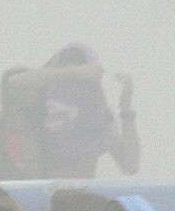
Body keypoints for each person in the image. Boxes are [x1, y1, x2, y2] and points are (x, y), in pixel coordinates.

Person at [38, 45, 140, 179]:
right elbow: (16, 81)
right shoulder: (38, 111)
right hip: (43, 195)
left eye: (83, 81)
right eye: (69, 78)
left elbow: (130, 164)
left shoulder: (101, 117)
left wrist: (126, 108)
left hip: (83, 196)